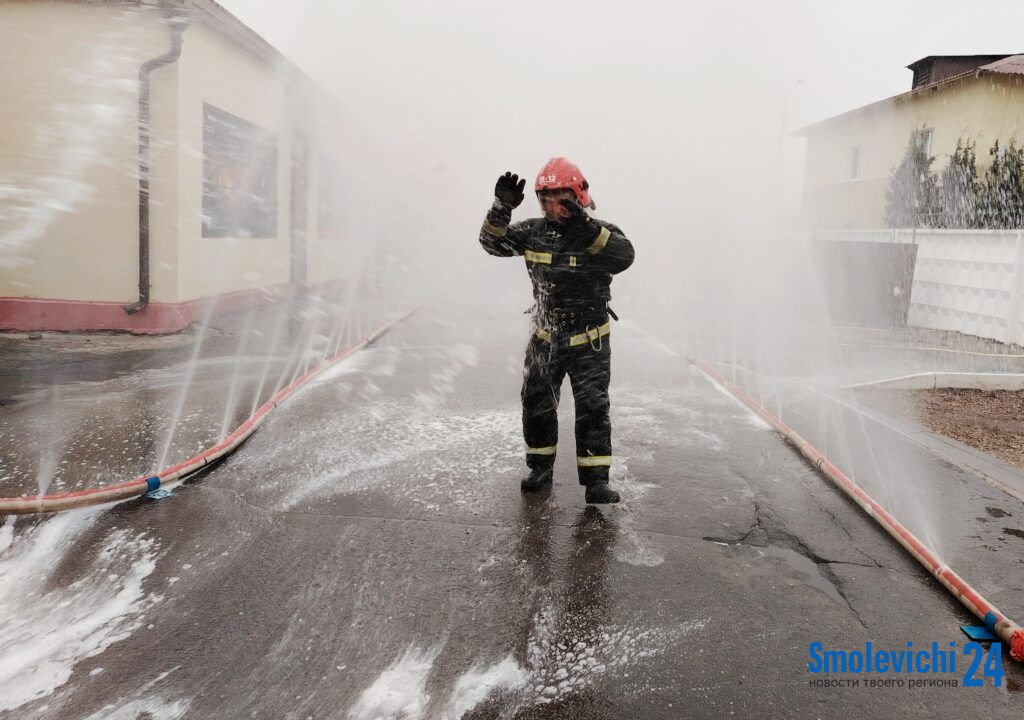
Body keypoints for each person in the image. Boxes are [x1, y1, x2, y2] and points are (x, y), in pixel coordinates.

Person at [478, 157, 634, 504]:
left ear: (577, 196)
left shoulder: (600, 232)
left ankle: (596, 482)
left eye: (560, 199)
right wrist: (501, 208)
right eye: (545, 200)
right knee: (536, 404)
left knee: (593, 408)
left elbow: (624, 257)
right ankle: (540, 468)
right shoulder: (533, 232)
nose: (552, 207)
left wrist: (586, 229)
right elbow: (492, 244)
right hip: (544, 337)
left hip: (589, 341)